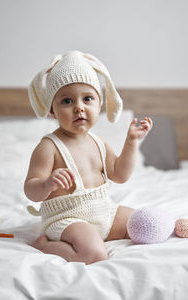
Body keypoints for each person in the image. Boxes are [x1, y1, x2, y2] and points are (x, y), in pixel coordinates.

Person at [24, 50, 153, 264]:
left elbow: (119, 175)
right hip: (67, 219)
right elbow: (30, 190)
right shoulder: (48, 147)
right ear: (53, 110)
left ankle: (174, 225)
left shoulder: (98, 142)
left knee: (144, 223)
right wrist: (47, 184)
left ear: (99, 104)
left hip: (105, 213)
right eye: (66, 101)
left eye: (87, 98)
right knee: (94, 254)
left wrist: (131, 142)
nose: (79, 107)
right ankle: (45, 245)